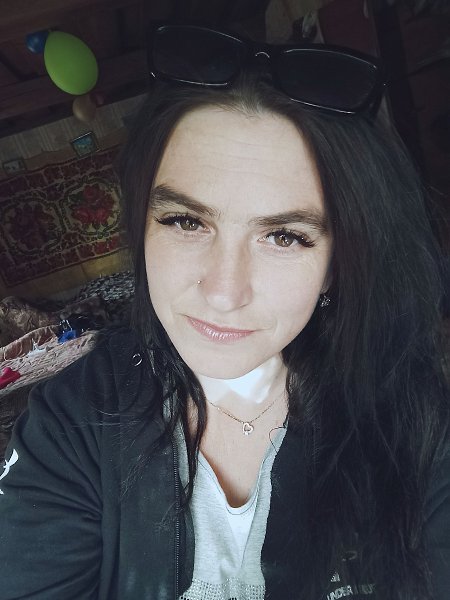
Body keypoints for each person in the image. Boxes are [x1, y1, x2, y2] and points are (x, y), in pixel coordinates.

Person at [1, 23, 449, 600]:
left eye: (284, 236)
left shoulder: (411, 419)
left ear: (337, 265)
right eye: (186, 221)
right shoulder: (72, 419)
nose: (223, 292)